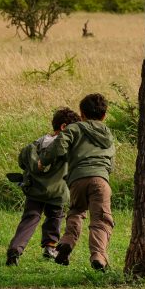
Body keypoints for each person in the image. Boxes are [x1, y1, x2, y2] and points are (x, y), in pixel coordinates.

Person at [38, 93, 115, 271]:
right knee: (101, 219)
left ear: (81, 113)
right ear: (104, 116)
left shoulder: (74, 129)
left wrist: (45, 161)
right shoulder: (107, 134)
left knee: (76, 212)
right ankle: (98, 255)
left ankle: (66, 242)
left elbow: (59, 144)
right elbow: (111, 160)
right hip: (101, 179)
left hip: (77, 180)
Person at [6, 107, 81, 266]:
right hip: (57, 191)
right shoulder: (65, 147)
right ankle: (50, 247)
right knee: (55, 218)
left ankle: (15, 248)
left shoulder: (35, 145)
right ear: (63, 127)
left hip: (34, 191)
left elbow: (22, 163)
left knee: (30, 219)